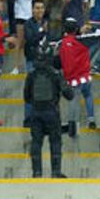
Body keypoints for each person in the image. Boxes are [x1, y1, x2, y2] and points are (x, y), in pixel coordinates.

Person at [25, 43, 75, 178]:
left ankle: (36, 172)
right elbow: (69, 95)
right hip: (52, 112)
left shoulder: (31, 75)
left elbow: (26, 97)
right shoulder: (55, 74)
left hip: (35, 112)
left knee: (36, 141)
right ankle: (55, 172)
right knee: (55, 141)